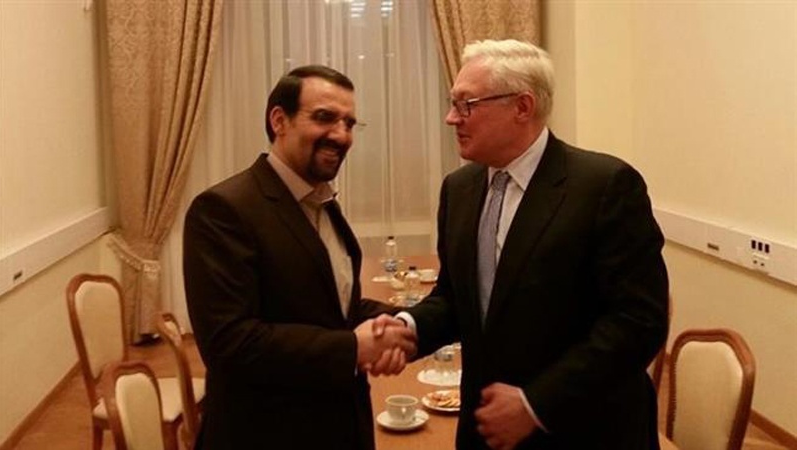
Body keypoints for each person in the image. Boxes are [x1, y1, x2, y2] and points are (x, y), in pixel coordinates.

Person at [397, 40, 669, 449]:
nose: (451, 118)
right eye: (453, 104)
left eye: (466, 105)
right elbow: (457, 299)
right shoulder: (459, 189)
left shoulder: (604, 186)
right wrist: (406, 328)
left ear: (522, 107)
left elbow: (638, 322)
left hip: (583, 430)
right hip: (485, 428)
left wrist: (536, 403)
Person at [183, 65, 414, 450]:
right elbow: (231, 344)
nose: (340, 135)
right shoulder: (223, 209)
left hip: (340, 426)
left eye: (349, 123)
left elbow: (335, 306)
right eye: (324, 117)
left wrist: (400, 324)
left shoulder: (321, 202)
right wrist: (353, 349)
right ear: (279, 121)